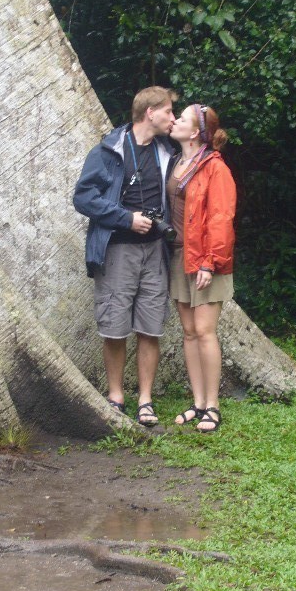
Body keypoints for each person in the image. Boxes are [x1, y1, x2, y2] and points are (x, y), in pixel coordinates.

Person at [73, 86, 176, 426]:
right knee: (115, 328)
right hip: (118, 250)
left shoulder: (165, 152)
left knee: (150, 328)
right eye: (169, 112)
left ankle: (145, 400)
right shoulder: (108, 151)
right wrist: (126, 218)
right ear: (150, 112)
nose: (172, 118)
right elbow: (83, 197)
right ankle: (116, 396)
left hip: (154, 253)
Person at [168, 104, 236, 432]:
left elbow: (222, 217)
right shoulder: (176, 162)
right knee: (190, 333)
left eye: (180, 118)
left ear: (195, 132)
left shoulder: (214, 167)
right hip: (180, 256)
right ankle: (197, 402)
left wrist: (210, 261)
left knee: (206, 331)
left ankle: (213, 405)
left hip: (208, 261)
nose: (174, 121)